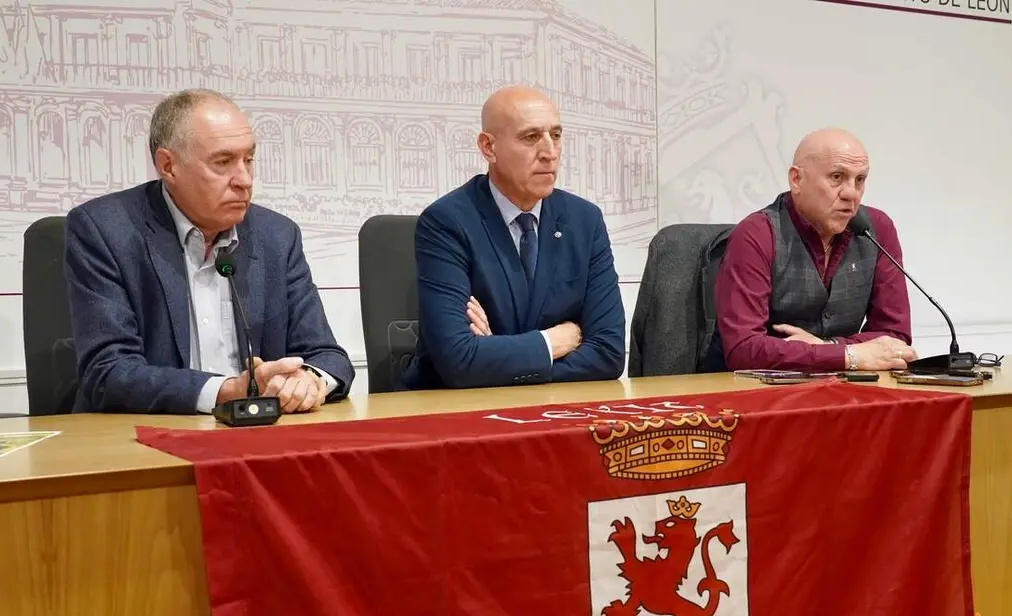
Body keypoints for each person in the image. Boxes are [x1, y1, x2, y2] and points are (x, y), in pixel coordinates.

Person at [64, 89, 354, 414]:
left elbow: (329, 356)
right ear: (168, 166)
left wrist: (309, 379)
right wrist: (225, 391)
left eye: (249, 159)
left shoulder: (277, 236)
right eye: (223, 162)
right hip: (148, 436)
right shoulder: (105, 230)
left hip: (258, 436)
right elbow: (108, 373)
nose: (244, 179)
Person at [402, 85, 625, 389]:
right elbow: (458, 361)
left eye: (556, 135)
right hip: (460, 413)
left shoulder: (585, 220)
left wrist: (496, 358)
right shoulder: (447, 222)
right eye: (531, 137)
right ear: (488, 147)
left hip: (554, 410)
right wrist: (552, 342)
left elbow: (607, 354)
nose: (550, 153)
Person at [707, 128, 917, 372]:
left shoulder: (877, 230)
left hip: (839, 390)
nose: (851, 193)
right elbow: (743, 350)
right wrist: (848, 355)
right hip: (751, 393)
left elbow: (895, 336)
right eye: (837, 177)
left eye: (859, 180)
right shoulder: (756, 235)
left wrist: (830, 347)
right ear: (797, 180)